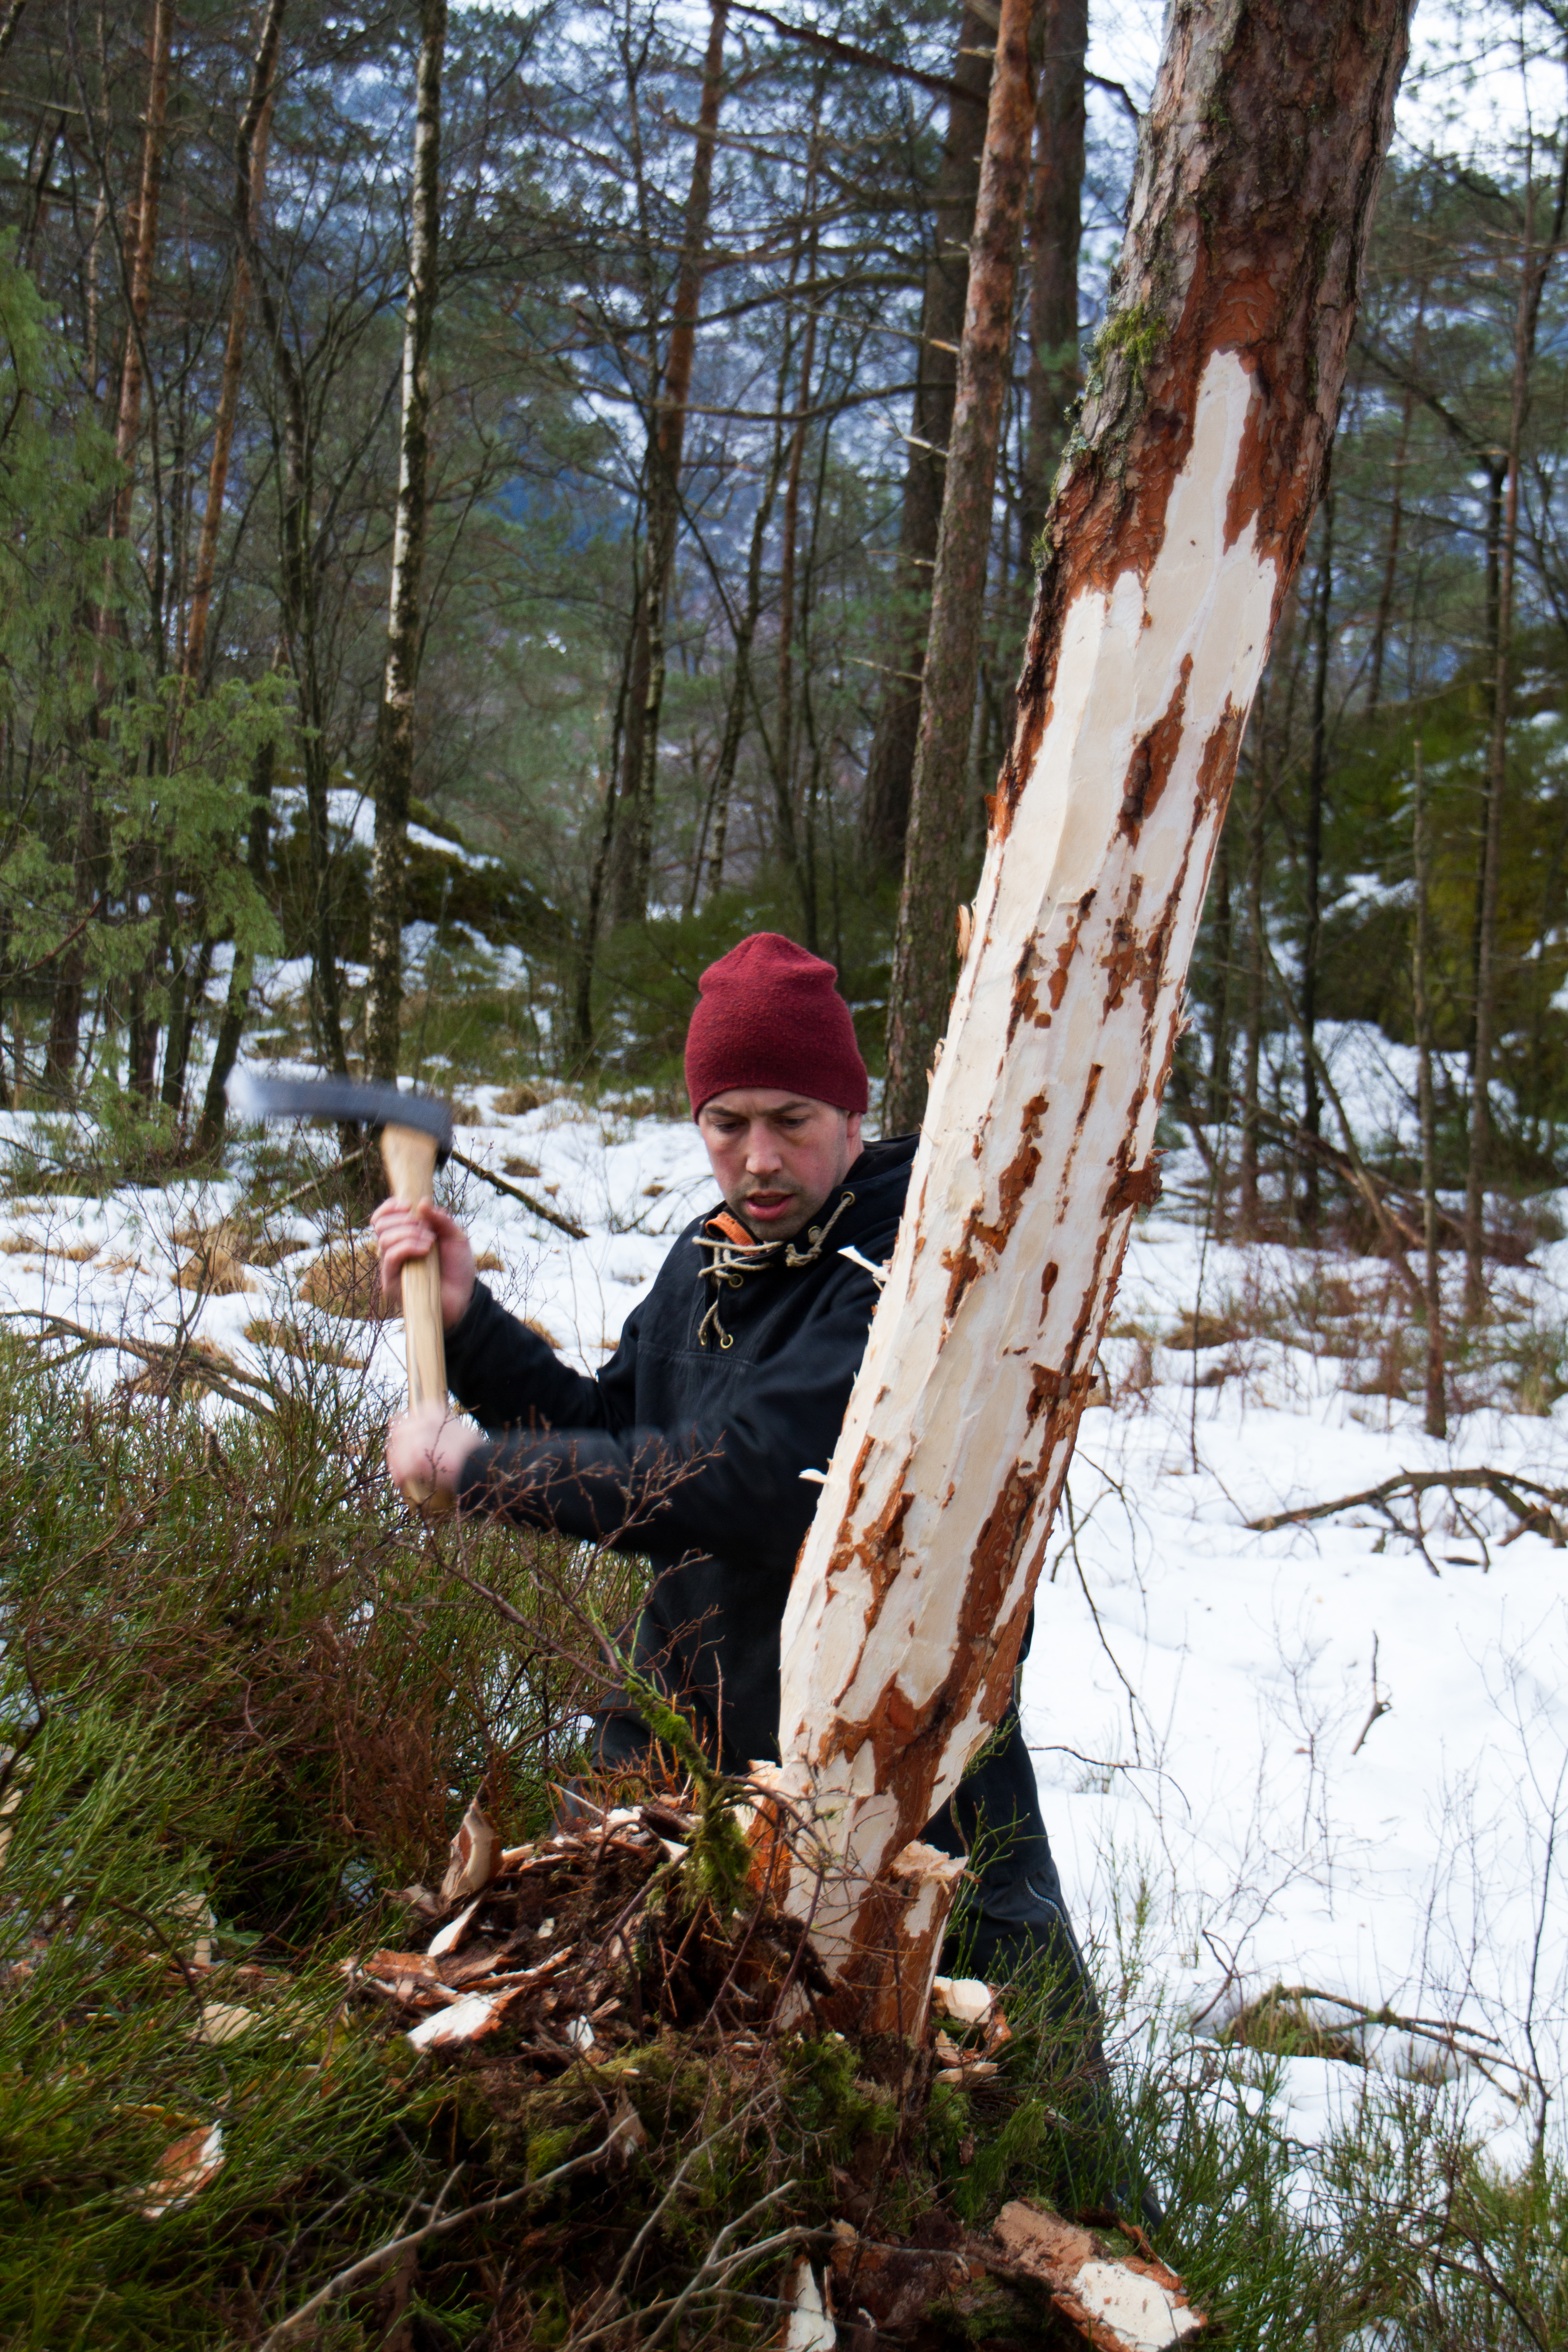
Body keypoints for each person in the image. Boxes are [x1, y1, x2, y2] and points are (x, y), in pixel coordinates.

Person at [372, 932, 1097, 2004]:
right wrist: (470, 1327)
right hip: (679, 1756)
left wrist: (488, 1474)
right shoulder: (711, 1255)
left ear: (852, 1117)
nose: (757, 1158)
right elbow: (613, 1423)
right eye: (727, 1123)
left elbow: (751, 1479)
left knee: (1006, 2118)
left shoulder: (916, 1274)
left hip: (898, 1799)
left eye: (791, 1122)